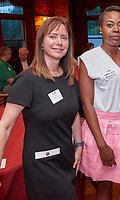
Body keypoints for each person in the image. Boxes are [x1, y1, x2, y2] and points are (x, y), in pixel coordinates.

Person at [0, 16, 82, 200]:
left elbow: (74, 113)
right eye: (53, 36)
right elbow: (4, 126)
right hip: (41, 163)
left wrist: (78, 144)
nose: (59, 42)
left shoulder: (69, 78)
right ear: (42, 43)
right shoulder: (28, 80)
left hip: (65, 159)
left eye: (64, 37)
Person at [79, 5, 120, 200]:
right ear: (100, 28)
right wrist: (101, 145)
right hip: (101, 129)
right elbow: (86, 104)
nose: (116, 30)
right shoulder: (89, 59)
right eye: (110, 25)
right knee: (104, 188)